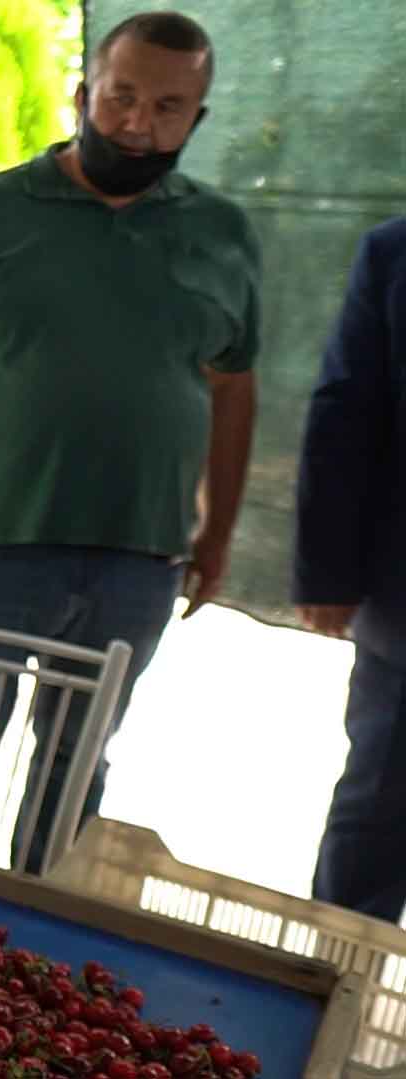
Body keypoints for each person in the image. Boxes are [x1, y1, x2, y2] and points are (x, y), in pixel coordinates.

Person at [0, 11, 260, 874]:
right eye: (121, 96)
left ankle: (32, 945)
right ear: (82, 94)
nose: (139, 123)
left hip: (135, 560)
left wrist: (213, 534)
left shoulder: (220, 234)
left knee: (75, 768)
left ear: (196, 119)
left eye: (168, 106)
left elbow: (232, 382)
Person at [296, 216, 406, 924]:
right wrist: (327, 573)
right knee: (375, 814)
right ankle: (330, 1002)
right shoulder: (393, 252)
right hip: (403, 608)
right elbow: (344, 413)